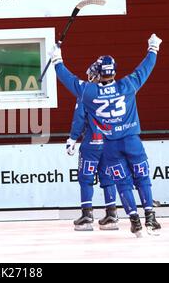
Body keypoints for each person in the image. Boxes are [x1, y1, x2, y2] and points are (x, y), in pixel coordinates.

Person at [51, 34, 163, 236]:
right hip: (131, 139)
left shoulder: (89, 92)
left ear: (99, 73)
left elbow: (68, 79)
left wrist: (57, 60)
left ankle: (134, 221)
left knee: (123, 182)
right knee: (143, 178)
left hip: (110, 143)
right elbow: (146, 67)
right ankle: (151, 219)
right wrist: (153, 47)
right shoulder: (128, 85)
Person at [67, 62, 118, 231]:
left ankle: (87, 215)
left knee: (86, 178)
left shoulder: (86, 93)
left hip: (91, 143)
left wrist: (73, 138)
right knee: (108, 177)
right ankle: (112, 214)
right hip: (110, 143)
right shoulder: (116, 92)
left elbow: (80, 117)